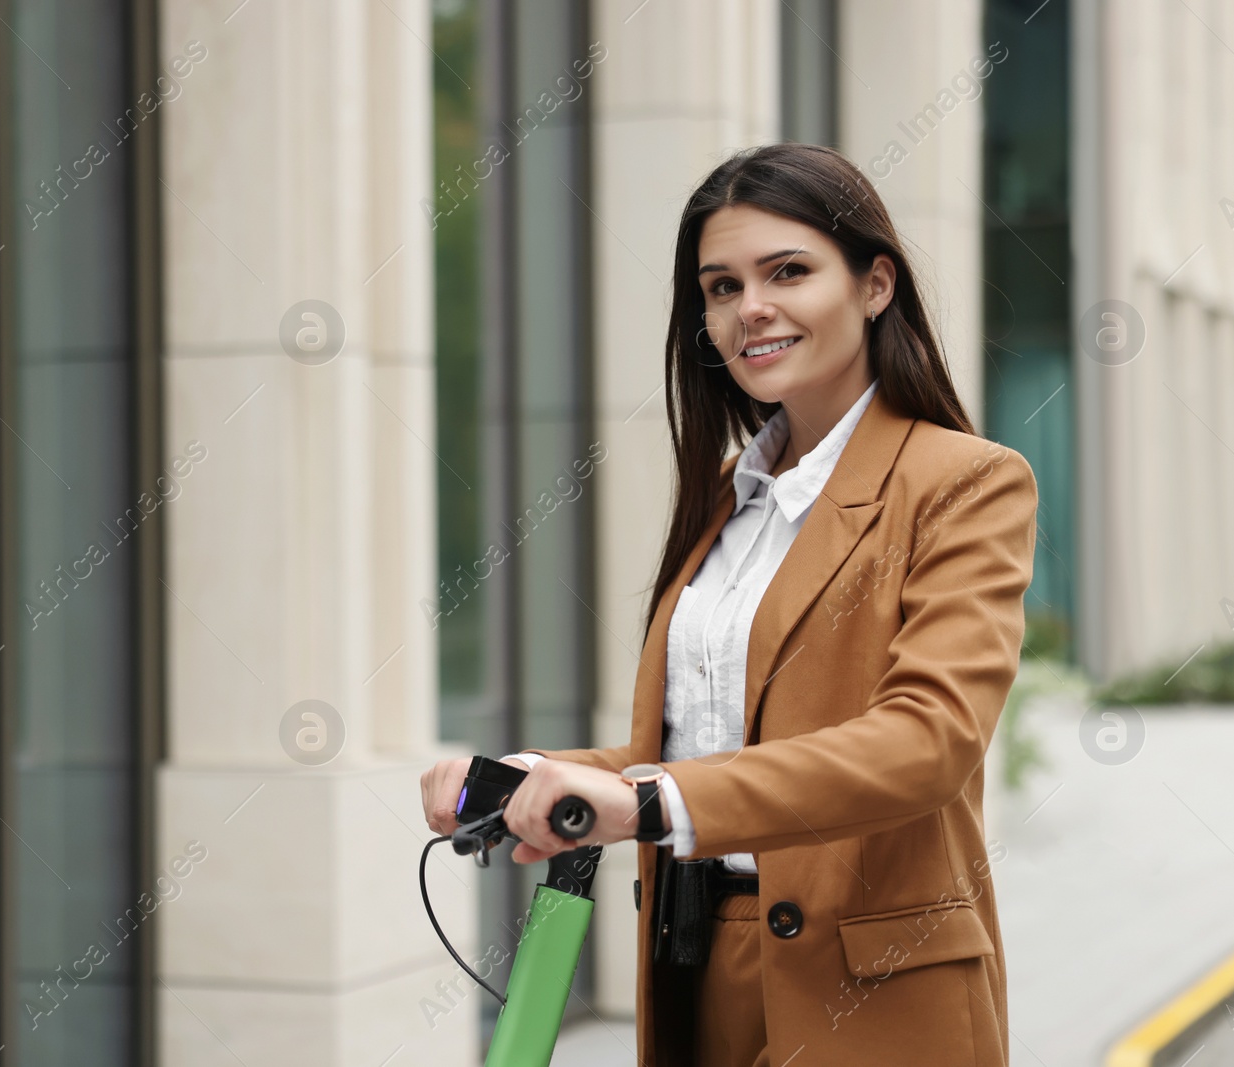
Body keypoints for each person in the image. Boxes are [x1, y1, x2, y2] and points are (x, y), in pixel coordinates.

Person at [420, 142, 1036, 1067]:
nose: (751, 308)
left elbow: (928, 740)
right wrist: (532, 772)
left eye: (788, 271)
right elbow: (683, 754)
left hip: (871, 995)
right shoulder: (726, 497)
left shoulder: (965, 482)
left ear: (875, 285)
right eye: (719, 286)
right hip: (696, 970)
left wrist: (648, 800)